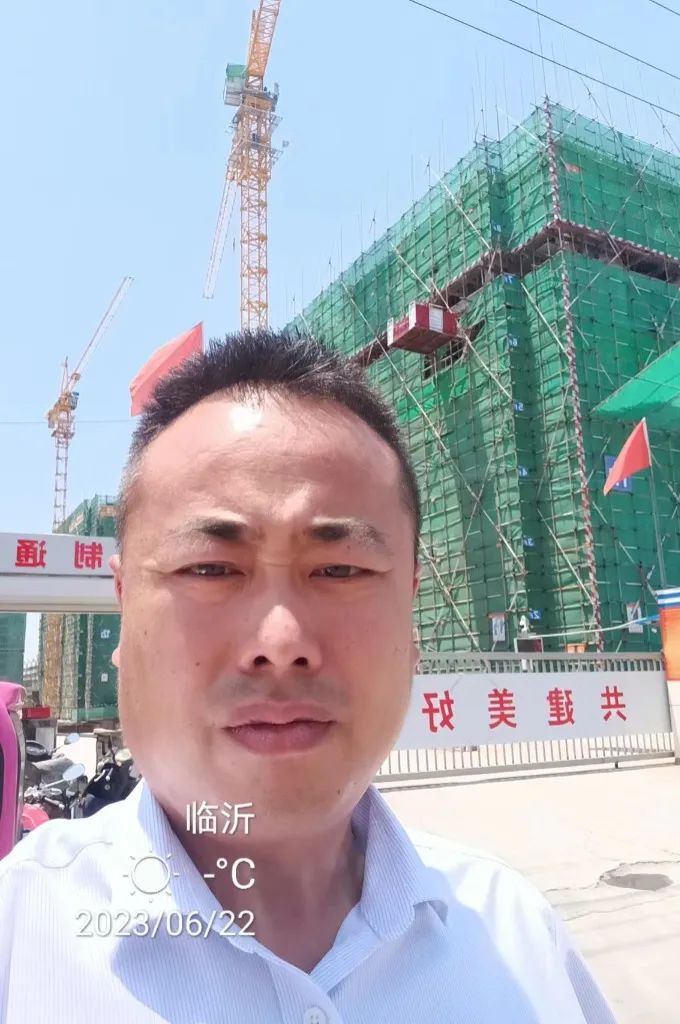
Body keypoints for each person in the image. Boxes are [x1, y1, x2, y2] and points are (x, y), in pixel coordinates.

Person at [0, 331, 617, 1023]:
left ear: (410, 603)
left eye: (341, 569)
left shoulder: (519, 941)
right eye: (210, 568)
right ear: (124, 603)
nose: (281, 643)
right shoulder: (19, 936)